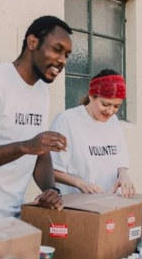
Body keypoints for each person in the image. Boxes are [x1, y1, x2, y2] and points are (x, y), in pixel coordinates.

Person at [0, 16, 72, 219]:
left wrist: (51, 189)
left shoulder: (41, 91)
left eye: (67, 54)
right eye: (57, 49)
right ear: (32, 42)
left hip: (14, 214)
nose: (62, 60)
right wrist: (25, 146)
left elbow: (39, 151)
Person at [50, 69, 135, 197]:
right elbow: (51, 169)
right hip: (77, 207)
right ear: (91, 96)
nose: (110, 111)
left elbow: (121, 162)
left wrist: (124, 176)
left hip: (108, 203)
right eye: (105, 104)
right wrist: (80, 183)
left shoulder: (113, 122)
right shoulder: (66, 121)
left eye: (116, 106)